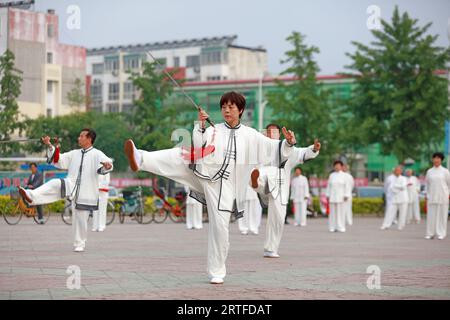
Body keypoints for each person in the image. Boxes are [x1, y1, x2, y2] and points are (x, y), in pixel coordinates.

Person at [124, 91, 298, 284]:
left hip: (224, 187)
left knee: (220, 228)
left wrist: (289, 143)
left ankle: (217, 270)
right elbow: (198, 142)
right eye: (224, 107)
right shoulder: (214, 130)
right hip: (203, 172)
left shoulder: (251, 135)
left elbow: (274, 148)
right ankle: (141, 158)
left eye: (231, 107)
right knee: (180, 155)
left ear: (240, 110)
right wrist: (201, 125)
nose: (227, 110)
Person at [18, 129, 113, 252]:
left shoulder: (97, 154)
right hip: (71, 185)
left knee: (80, 220)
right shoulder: (74, 153)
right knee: (54, 183)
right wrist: (50, 145)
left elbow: (107, 164)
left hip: (86, 192)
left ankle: (80, 243)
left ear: (89, 139)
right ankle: (31, 195)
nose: (78, 138)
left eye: (81, 136)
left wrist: (107, 166)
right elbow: (58, 160)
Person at [250, 123, 320, 258]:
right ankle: (255, 182)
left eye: (274, 132)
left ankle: (270, 249)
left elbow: (304, 152)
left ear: (279, 134)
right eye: (268, 132)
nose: (271, 134)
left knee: (278, 218)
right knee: (260, 173)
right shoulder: (259, 149)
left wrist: (314, 149)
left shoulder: (290, 150)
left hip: (280, 189)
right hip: (263, 183)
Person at [425, 152, 450, 240]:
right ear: (432, 159)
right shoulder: (429, 171)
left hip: (443, 196)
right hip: (432, 196)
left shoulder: (445, 171)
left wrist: (448, 195)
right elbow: (427, 184)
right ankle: (430, 233)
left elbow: (448, 184)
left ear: (441, 160)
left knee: (442, 216)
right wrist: (427, 195)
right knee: (431, 216)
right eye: (434, 158)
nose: (436, 160)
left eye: (438, 158)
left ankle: (441, 233)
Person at [381, 166, 409, 230]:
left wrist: (395, 186)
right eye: (396, 170)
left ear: (401, 171)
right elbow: (389, 187)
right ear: (394, 171)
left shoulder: (404, 178)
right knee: (390, 212)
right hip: (394, 198)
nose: (397, 171)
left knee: (403, 213)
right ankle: (386, 225)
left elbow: (403, 187)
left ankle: (400, 226)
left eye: (399, 170)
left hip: (403, 198)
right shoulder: (390, 178)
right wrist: (397, 187)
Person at [326, 160, 351, 233]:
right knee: (332, 213)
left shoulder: (344, 175)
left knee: (341, 213)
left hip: (341, 197)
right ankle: (332, 227)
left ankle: (341, 227)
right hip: (332, 196)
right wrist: (328, 195)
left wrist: (346, 195)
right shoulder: (331, 175)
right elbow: (329, 186)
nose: (337, 167)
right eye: (335, 165)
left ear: (341, 166)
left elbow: (347, 186)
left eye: (338, 165)